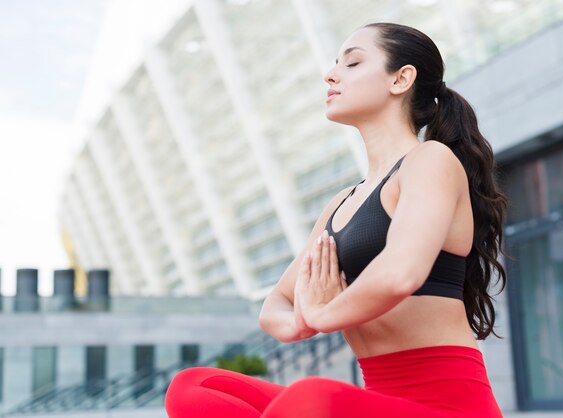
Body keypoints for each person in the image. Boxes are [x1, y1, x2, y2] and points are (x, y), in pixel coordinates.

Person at [164, 22, 508, 418]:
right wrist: (301, 323)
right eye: (334, 64)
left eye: (353, 63)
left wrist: (325, 313)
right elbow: (276, 302)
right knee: (195, 388)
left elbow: (401, 273)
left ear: (401, 79)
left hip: (447, 407)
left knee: (308, 400)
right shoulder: (341, 202)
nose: (330, 74)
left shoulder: (429, 162)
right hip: (376, 402)